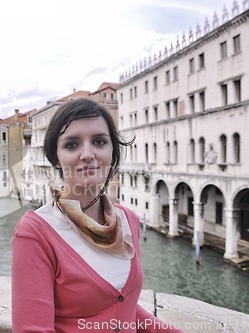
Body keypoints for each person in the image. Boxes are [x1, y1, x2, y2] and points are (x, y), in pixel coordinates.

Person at [11, 98, 182, 332]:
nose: (88, 154)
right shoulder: (34, 233)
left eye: (99, 141)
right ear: (56, 157)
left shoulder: (128, 220)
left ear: (112, 150)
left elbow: (126, 306)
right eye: (72, 145)